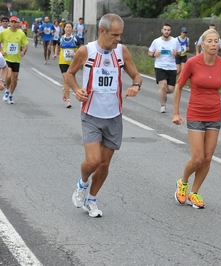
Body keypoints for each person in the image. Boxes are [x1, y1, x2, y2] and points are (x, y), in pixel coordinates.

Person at [66, 13, 142, 218]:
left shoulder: (121, 51)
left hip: (114, 115)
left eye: (120, 35)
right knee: (92, 161)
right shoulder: (86, 51)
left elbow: (136, 75)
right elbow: (70, 74)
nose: (118, 39)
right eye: (115, 35)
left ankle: (91, 199)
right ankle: (82, 184)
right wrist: (76, 90)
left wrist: (135, 85)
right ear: (102, 31)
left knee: (105, 163)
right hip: (91, 114)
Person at [173, 29, 221, 209]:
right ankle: (183, 183)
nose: (214, 44)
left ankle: (194, 192)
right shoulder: (192, 63)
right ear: (203, 44)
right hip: (196, 113)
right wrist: (176, 113)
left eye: (217, 41)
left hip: (214, 115)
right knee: (197, 158)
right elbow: (178, 87)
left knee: (208, 158)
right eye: (210, 41)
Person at [148, 23, 179, 113]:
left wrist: (176, 54)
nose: (166, 31)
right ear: (162, 30)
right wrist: (154, 54)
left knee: (170, 89)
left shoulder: (175, 41)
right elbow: (149, 53)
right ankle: (163, 106)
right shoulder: (156, 41)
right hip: (160, 66)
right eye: (165, 30)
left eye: (168, 30)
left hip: (171, 67)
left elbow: (180, 53)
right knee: (162, 86)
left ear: (170, 31)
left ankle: (163, 93)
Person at [53, 21, 82, 108]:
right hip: (63, 61)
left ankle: (64, 90)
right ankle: (68, 101)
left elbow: (82, 47)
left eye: (70, 27)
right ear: (64, 28)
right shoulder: (61, 38)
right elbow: (57, 46)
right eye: (67, 27)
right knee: (66, 80)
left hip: (73, 62)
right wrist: (55, 53)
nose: (68, 29)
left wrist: (76, 55)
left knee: (71, 80)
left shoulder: (76, 38)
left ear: (72, 29)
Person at [0, 16, 28, 104]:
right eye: (11, 22)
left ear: (18, 24)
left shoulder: (21, 33)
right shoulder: (4, 32)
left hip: (16, 59)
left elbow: (25, 45)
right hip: (7, 58)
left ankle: (11, 95)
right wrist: (1, 50)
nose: (13, 24)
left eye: (15, 22)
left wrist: (23, 52)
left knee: (14, 79)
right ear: (9, 23)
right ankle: (7, 90)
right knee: (8, 76)